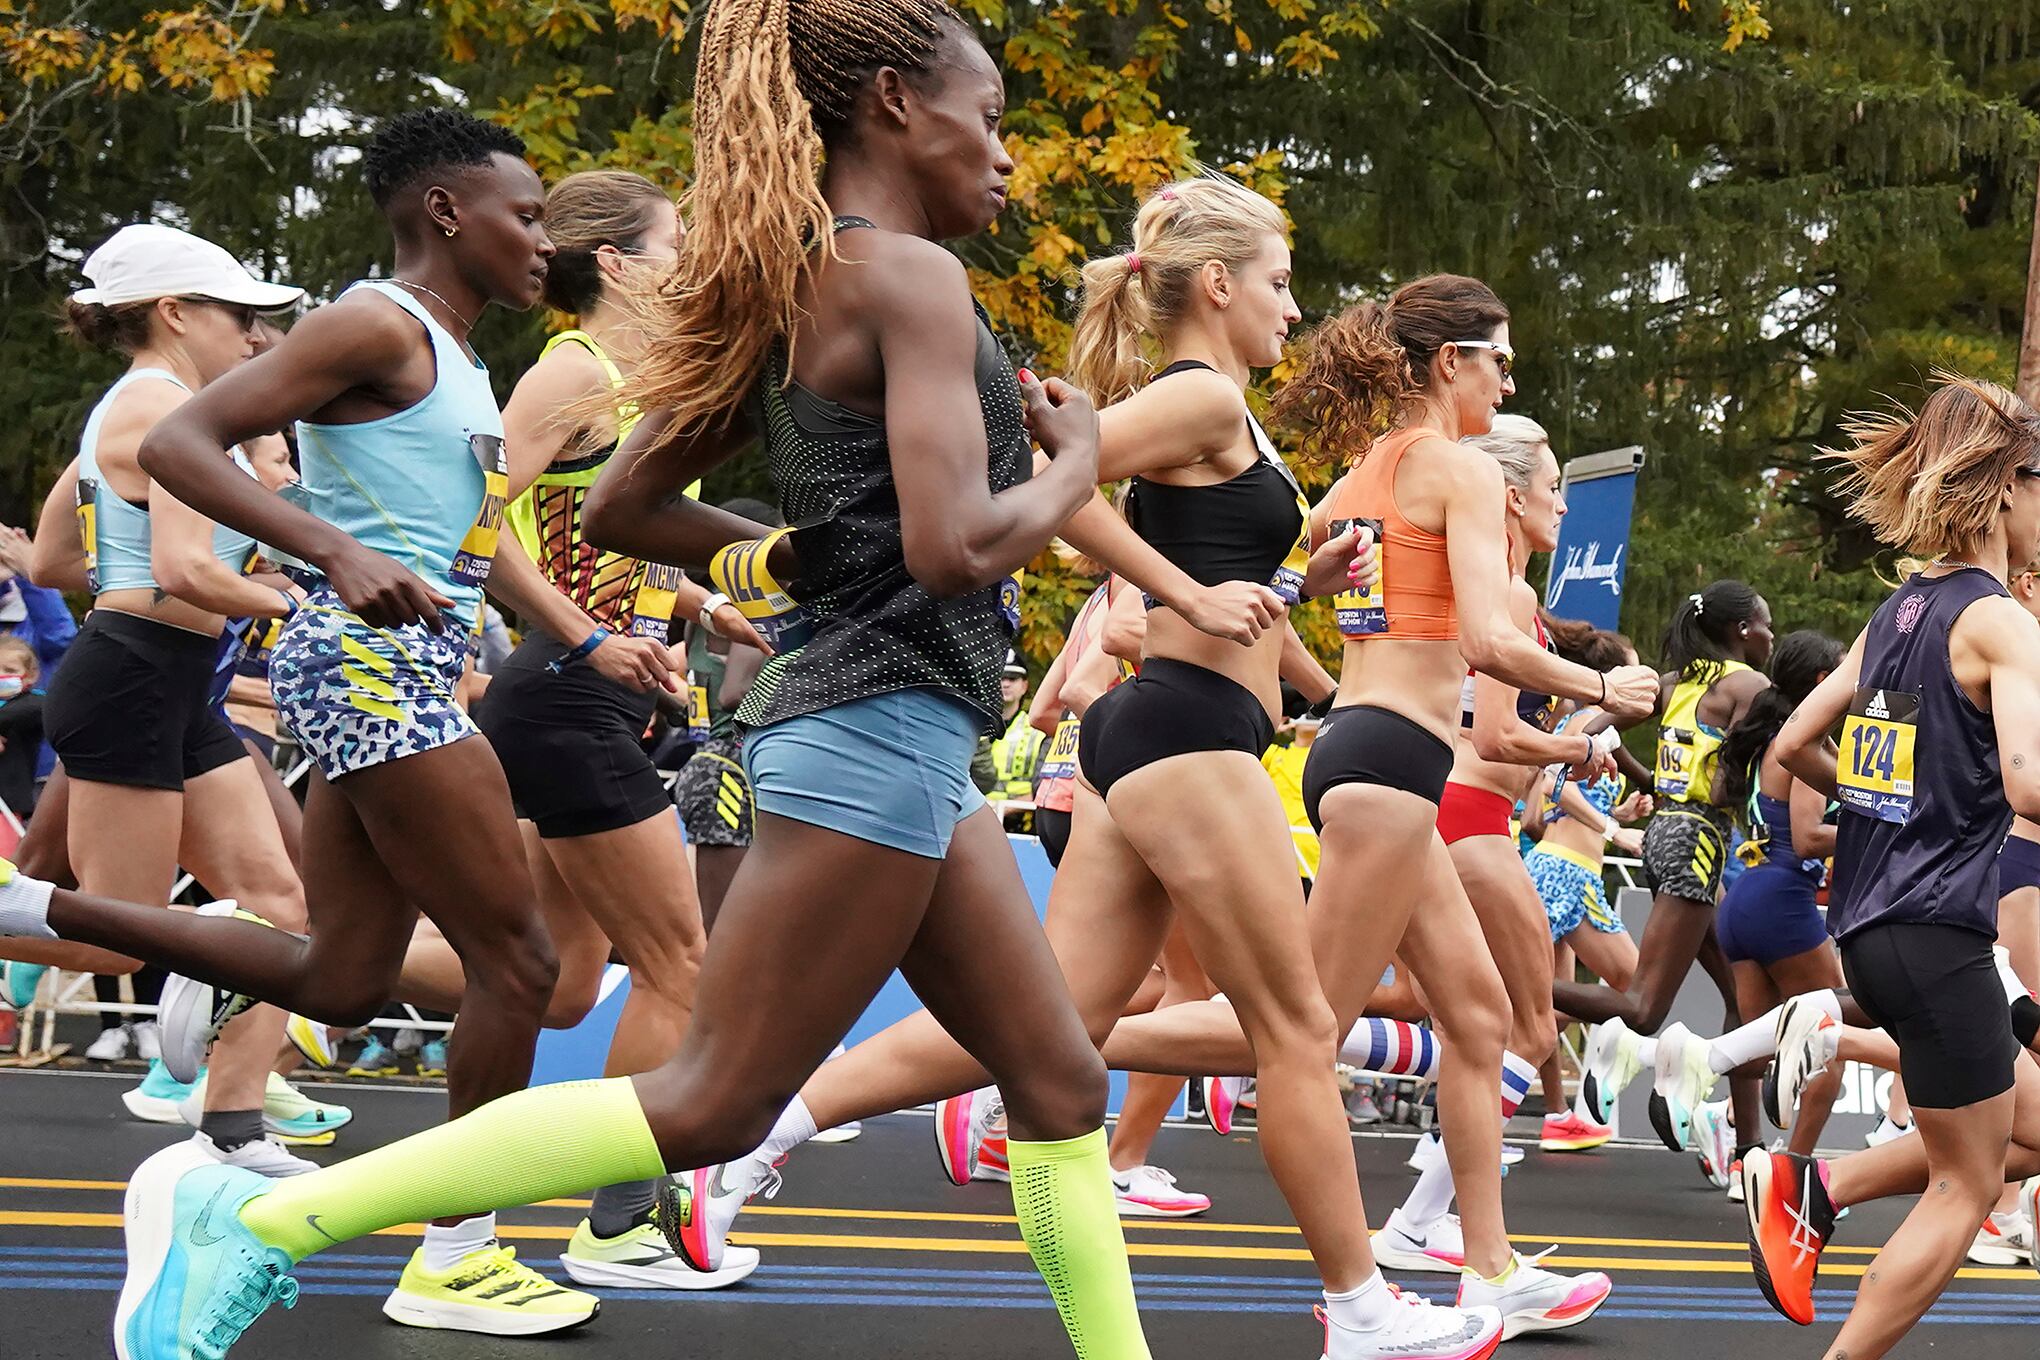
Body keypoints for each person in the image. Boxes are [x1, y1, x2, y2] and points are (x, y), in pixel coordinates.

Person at [92, 6, 1301, 1355]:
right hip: (876, 725)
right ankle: (251, 1223)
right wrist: (1069, 465)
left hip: (898, 722)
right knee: (714, 1101)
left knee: (1061, 1080)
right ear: (897, 104)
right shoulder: (907, 277)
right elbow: (956, 547)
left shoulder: (802, 280)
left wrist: (793, 560)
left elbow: (621, 507)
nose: (1008, 157)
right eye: (997, 117)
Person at [25, 112, 610, 1333]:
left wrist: (601, 637)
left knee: (340, 977)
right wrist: (325, 547)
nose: (541, 239)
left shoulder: (455, 356)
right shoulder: (376, 322)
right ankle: (458, 1248)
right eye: (524, 212)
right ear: (445, 212)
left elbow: (463, 540)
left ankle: (23, 908)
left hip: (398, 659)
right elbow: (187, 442)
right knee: (521, 965)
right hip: (365, 669)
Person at [1089, 273, 1658, 1342]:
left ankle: (1487, 1266)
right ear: (1450, 363)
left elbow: (1306, 621)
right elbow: (1488, 646)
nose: (1509, 376)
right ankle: (1038, 1049)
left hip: (1368, 749)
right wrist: (1600, 690)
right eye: (1500, 357)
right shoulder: (1455, 469)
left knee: (1478, 1016)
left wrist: (1316, 686)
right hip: (1391, 759)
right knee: (1301, 1030)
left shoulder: (1352, 481)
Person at [434, 166, 764, 1291]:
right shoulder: (573, 369)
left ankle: (303, 978)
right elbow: (472, 526)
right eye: (674, 246)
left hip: (597, 696)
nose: (692, 264)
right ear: (618, 264)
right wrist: (582, 637)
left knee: (564, 984)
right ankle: (624, 1218)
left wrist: (707, 607)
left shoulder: (636, 380)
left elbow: (600, 540)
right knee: (683, 963)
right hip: (560, 695)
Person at [1741, 374, 2040, 1360]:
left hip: (1867, 933)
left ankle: (1812, 1187)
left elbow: (1792, 750)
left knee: (2016, 1133)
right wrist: (1937, 812)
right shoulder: (2000, 621)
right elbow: (2030, 783)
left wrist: (1894, 803)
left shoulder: (1897, 616)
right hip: (1941, 933)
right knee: (1968, 1182)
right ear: (2006, 491)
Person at [22, 223, 313, 1178]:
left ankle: (234, 1126)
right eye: (241, 316)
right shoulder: (168, 408)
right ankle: (197, 966)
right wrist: (314, 595)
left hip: (169, 681)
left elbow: (58, 557)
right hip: (137, 677)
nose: (258, 337)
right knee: (115, 941)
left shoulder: (143, 406)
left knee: (275, 903)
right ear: (175, 313)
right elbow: (188, 568)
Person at [1571, 579, 1774, 1157]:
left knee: (1741, 997)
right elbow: (1731, 775)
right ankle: (1515, 991)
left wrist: (1622, 766)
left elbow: (1591, 730)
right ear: (1741, 631)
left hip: (1665, 833)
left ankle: (1748, 1151)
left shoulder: (1673, 683)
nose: (1771, 634)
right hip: (1699, 841)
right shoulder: (1749, 684)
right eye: (1765, 623)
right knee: (1641, 1009)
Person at [1698, 629, 1849, 1172]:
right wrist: (1883, 830)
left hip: (1744, 899)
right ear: (1821, 681)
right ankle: (1793, 1171)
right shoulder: (1803, 741)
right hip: (1782, 897)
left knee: (1758, 1045)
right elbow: (1809, 837)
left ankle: (1720, 1115)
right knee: (1832, 1037)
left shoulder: (1767, 737)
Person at [1522, 630, 1653, 1151]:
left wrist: (1616, 814)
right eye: (1636, 670)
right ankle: (1488, 1048)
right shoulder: (1582, 724)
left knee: (1546, 998)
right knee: (1635, 987)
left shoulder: (1581, 729)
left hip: (1554, 865)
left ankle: (1556, 1113)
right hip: (1568, 874)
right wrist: (1613, 830)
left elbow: (1536, 817)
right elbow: (1557, 788)